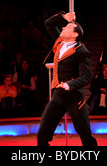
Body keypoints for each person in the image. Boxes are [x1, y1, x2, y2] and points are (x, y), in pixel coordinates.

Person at [37, 11, 97, 147]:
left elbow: (87, 76)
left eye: (68, 27)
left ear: (75, 35)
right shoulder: (60, 42)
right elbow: (48, 24)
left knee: (85, 135)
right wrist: (64, 17)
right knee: (42, 134)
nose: (63, 28)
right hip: (58, 96)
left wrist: (70, 85)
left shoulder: (82, 51)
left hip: (74, 97)